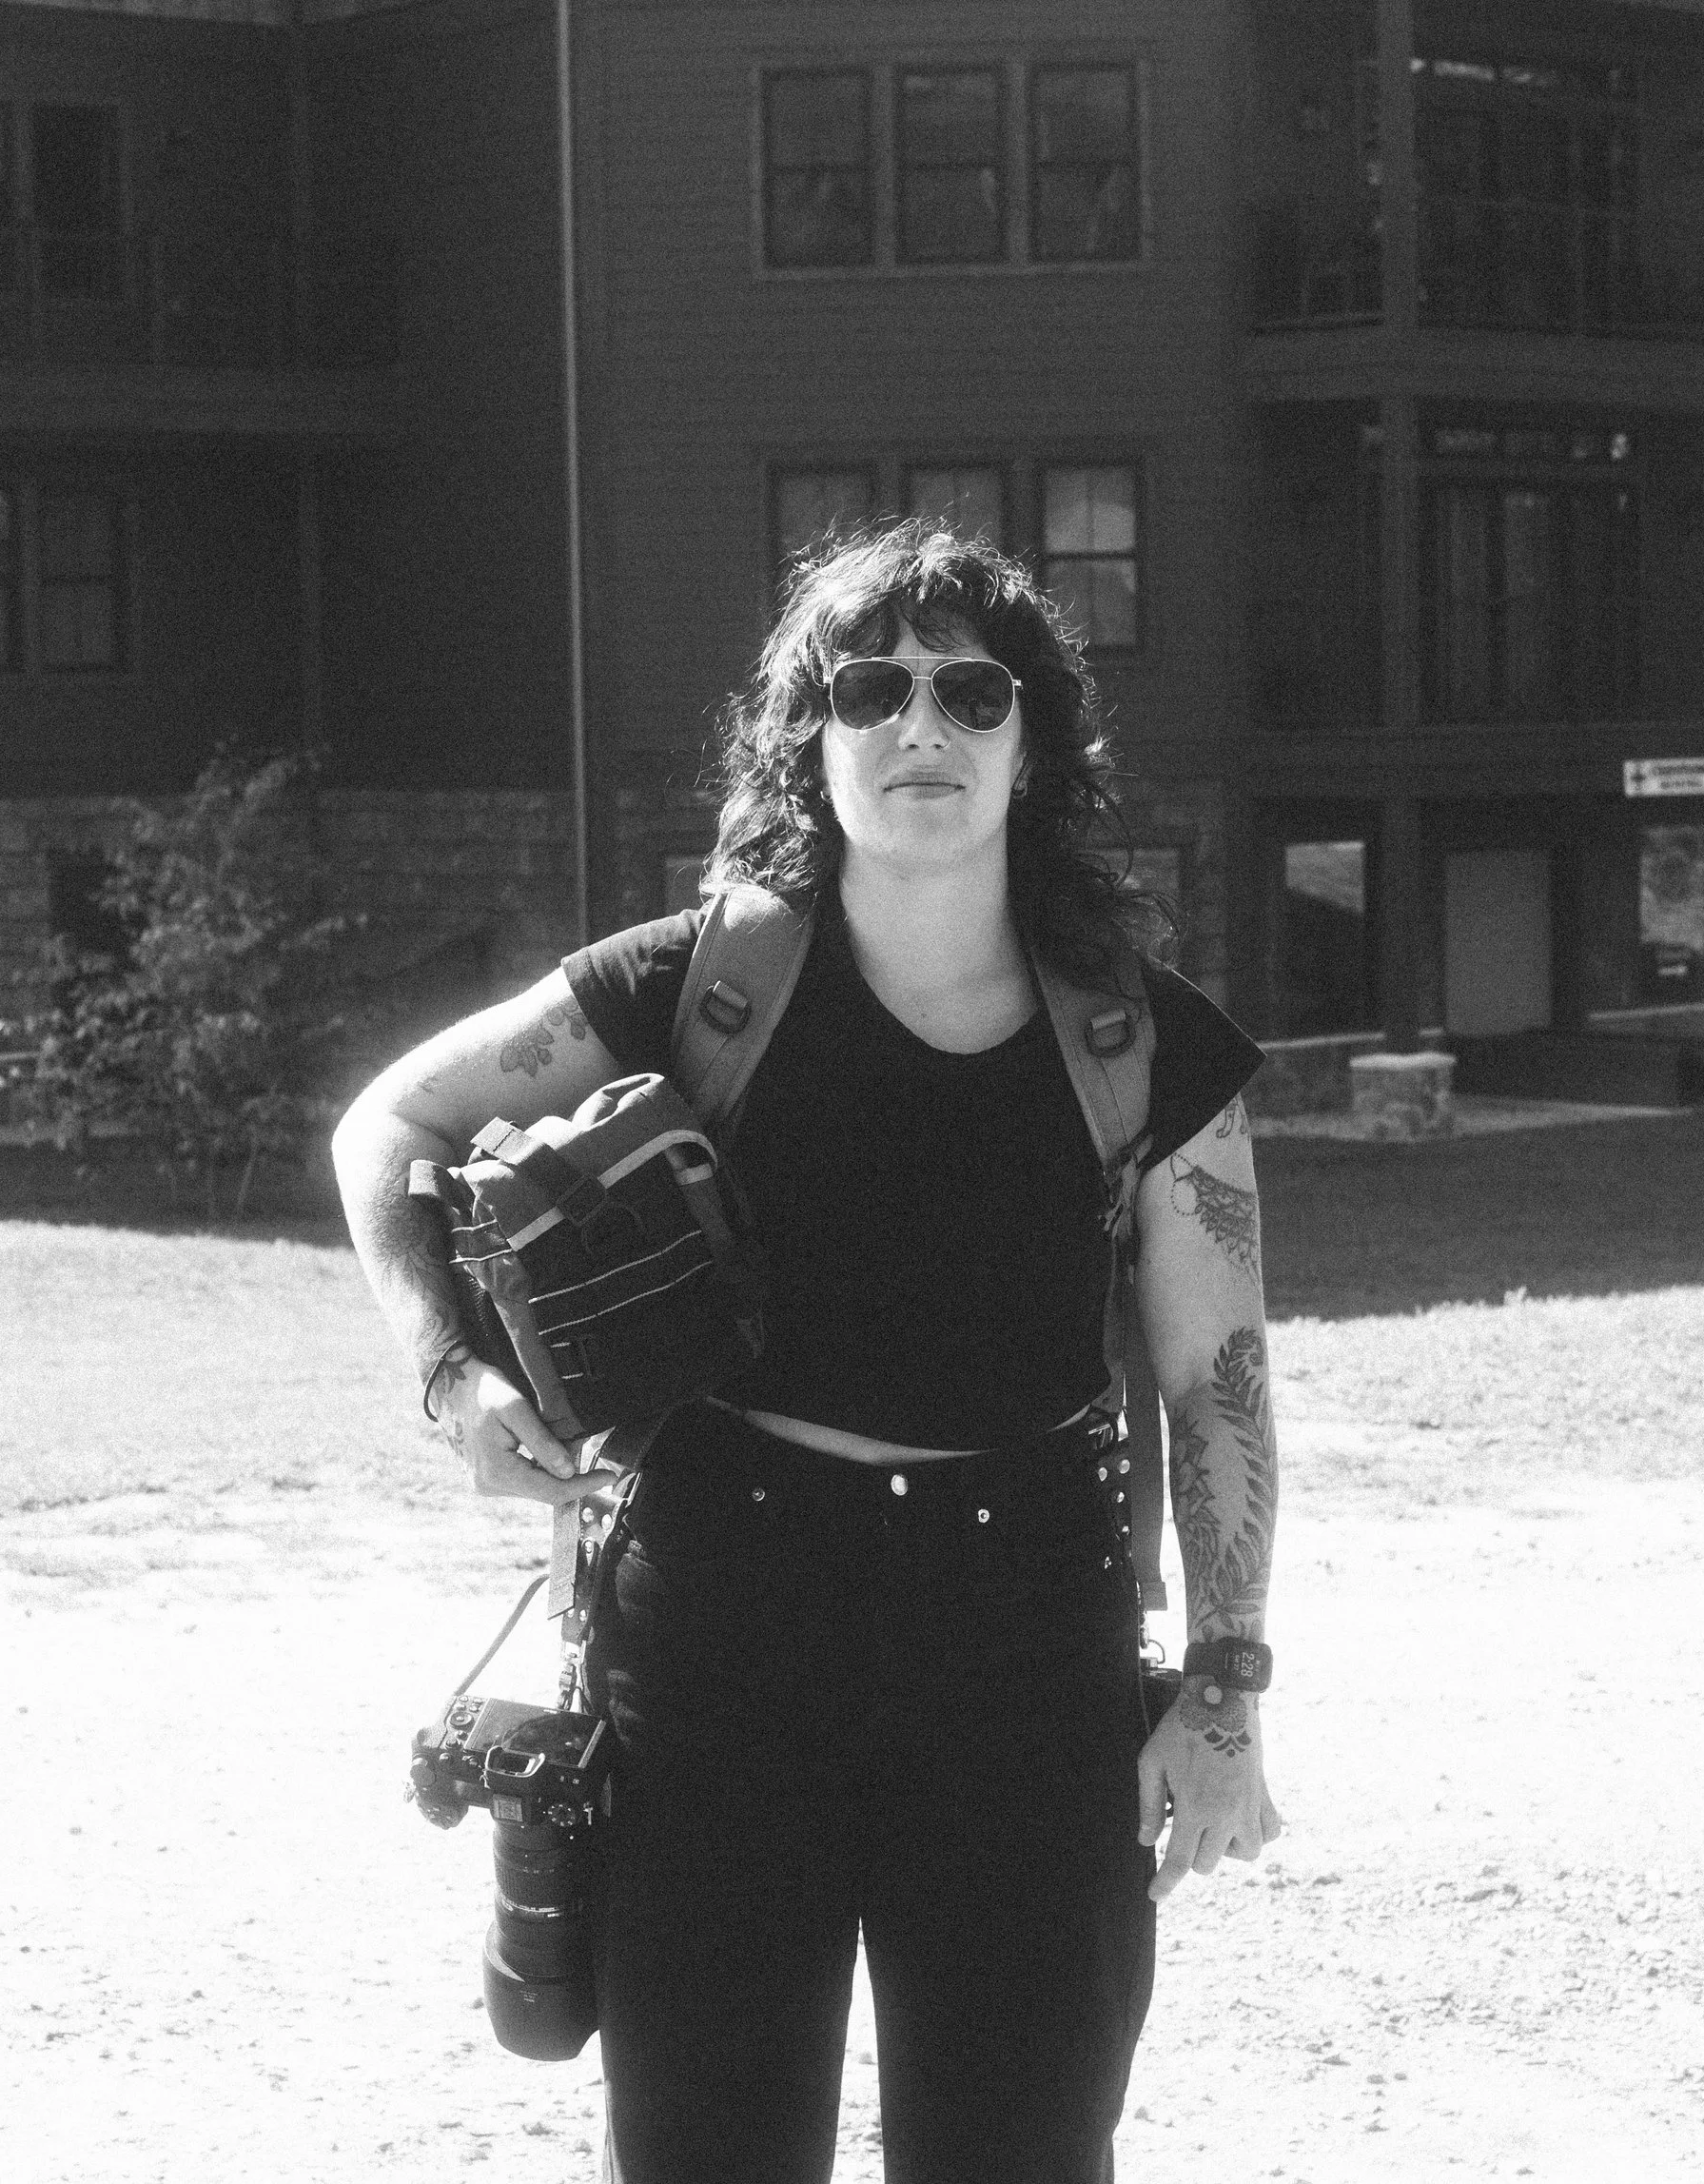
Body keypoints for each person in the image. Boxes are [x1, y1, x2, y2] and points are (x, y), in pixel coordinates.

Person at [332, 523, 1282, 2183]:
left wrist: (1226, 1687)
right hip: (716, 1656)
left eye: (971, 691)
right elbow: (386, 1122)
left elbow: (1223, 1382)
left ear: (1030, 742)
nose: (922, 727)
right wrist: (449, 1373)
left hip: (1024, 1668)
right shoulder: (697, 988)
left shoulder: (1145, 1046)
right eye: (872, 688)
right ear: (812, 735)